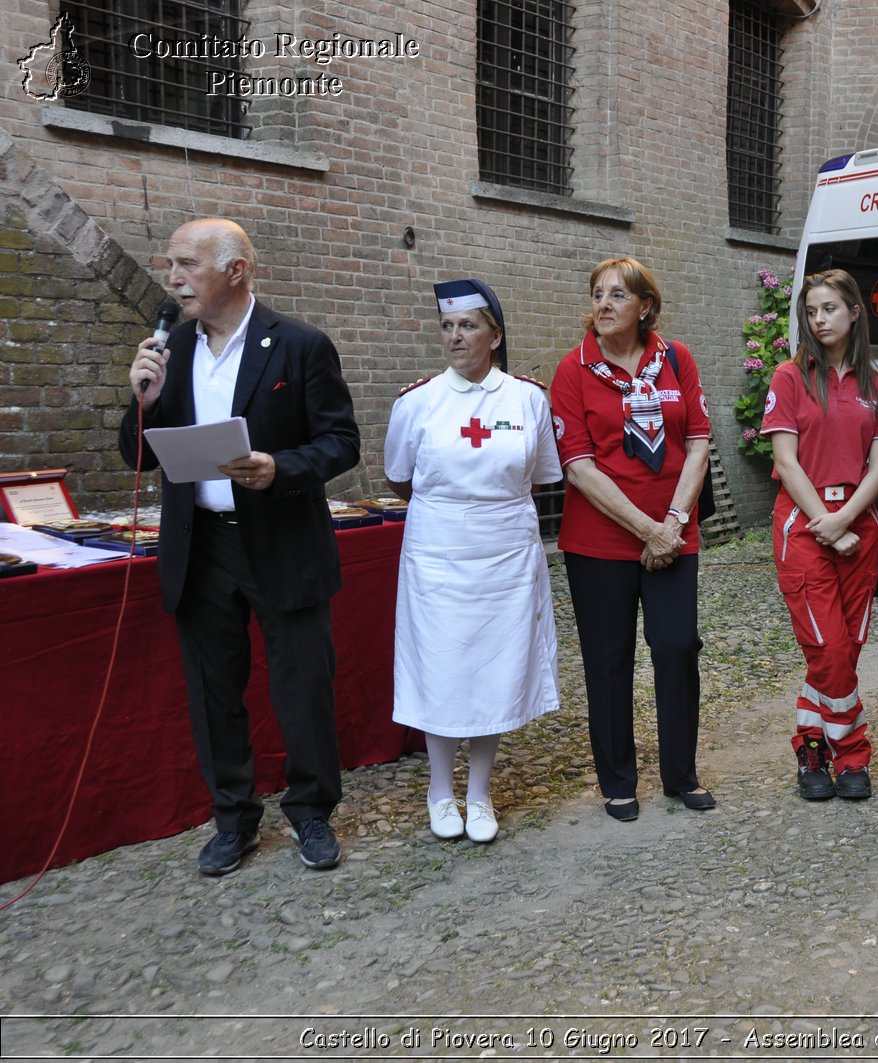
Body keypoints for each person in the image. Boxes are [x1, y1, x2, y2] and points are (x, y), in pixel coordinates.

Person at [120, 218, 360, 875]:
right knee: (213, 691)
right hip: (202, 545)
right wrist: (143, 397)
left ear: (235, 272)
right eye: (170, 264)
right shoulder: (171, 350)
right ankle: (234, 819)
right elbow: (135, 455)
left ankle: (311, 813)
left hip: (282, 538)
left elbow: (342, 442)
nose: (172, 278)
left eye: (187, 265)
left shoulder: (300, 345)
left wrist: (278, 468)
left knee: (301, 686)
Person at [383, 279, 562, 844]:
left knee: (496, 668)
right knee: (442, 667)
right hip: (438, 552)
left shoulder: (528, 399)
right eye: (447, 326)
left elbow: (541, 475)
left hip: (506, 551)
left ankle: (480, 792)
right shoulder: (417, 403)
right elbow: (398, 475)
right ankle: (441, 789)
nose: (455, 336)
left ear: (495, 335)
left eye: (468, 326)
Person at [549, 257, 714, 821]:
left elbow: (697, 443)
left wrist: (671, 523)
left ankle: (680, 775)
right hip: (599, 543)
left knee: (675, 649)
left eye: (618, 295)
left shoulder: (677, 359)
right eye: (597, 294)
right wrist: (649, 531)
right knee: (608, 659)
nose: (604, 304)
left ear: (645, 306)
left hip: (674, 531)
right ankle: (618, 782)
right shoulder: (573, 370)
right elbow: (578, 467)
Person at [760, 269, 878, 801]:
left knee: (844, 649)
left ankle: (811, 745)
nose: (819, 320)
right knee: (829, 646)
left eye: (830, 309)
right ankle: (853, 751)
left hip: (859, 526)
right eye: (811, 311)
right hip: (804, 525)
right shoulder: (790, 378)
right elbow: (787, 463)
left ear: (854, 312)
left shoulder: (876, 385)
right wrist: (827, 525)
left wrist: (846, 521)